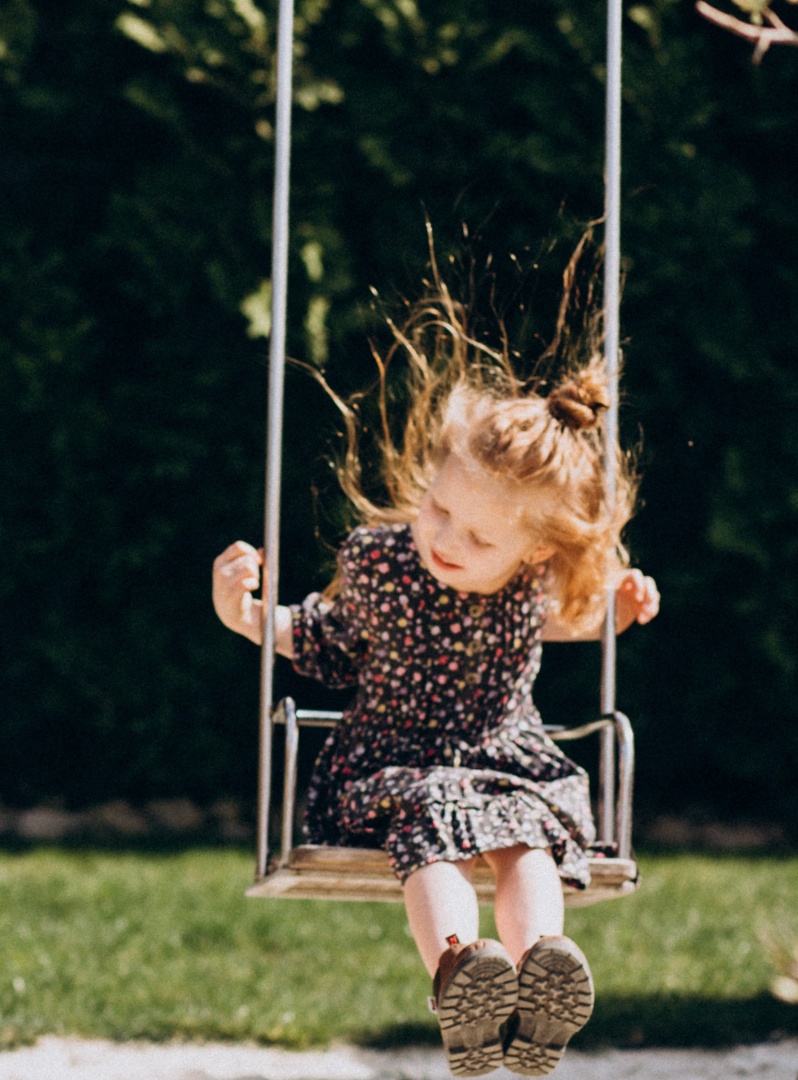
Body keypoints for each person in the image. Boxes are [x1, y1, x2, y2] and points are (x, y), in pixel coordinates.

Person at [211, 285, 658, 1078]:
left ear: (529, 555)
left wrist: (615, 613)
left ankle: (540, 973)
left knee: (529, 838)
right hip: (396, 760)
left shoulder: (530, 590)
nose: (445, 538)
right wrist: (241, 611)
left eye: (478, 535)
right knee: (433, 829)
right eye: (438, 508)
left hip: (506, 758)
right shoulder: (381, 566)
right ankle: (462, 971)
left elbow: (572, 623)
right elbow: (319, 637)